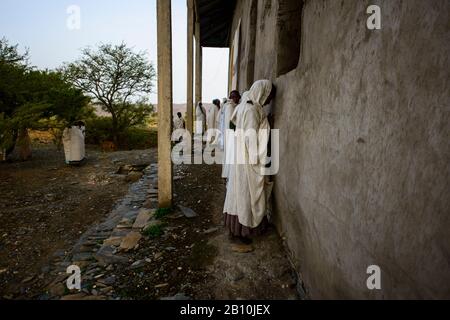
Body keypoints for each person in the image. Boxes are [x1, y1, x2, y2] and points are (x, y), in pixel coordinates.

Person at [223, 80, 276, 245]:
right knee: (245, 194)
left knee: (238, 193)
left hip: (240, 156)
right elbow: (250, 138)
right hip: (246, 159)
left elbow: (233, 122)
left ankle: (237, 231)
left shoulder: (245, 105)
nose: (268, 101)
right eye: (268, 97)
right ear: (262, 93)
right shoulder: (252, 110)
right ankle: (240, 232)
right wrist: (257, 160)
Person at [217, 90, 241, 179]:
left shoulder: (230, 106)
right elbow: (231, 123)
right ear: (232, 98)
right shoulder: (230, 107)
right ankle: (228, 175)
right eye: (235, 97)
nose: (238, 98)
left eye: (238, 96)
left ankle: (227, 174)